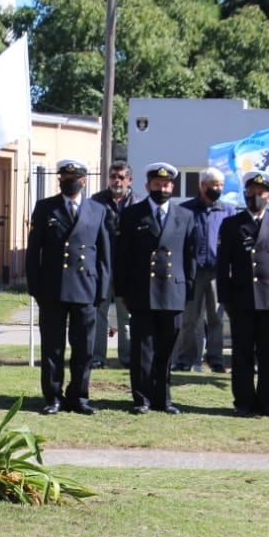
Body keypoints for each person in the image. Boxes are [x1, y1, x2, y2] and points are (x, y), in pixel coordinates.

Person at [27, 160, 110, 416]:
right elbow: (34, 253)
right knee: (52, 347)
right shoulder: (45, 208)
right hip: (53, 288)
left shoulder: (97, 210)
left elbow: (105, 254)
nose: (68, 182)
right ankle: (53, 396)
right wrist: (35, 288)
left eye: (74, 178)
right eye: (64, 178)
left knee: (84, 348)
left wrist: (102, 290)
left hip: (85, 286)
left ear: (84, 181)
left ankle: (79, 396)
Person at [116, 162, 195, 415]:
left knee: (167, 349)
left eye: (166, 184)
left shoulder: (185, 216)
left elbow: (190, 256)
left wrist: (188, 290)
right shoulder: (132, 214)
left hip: (173, 291)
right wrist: (122, 291)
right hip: (142, 291)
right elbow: (122, 257)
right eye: (157, 184)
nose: (162, 188)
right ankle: (141, 399)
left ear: (173, 186)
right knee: (142, 349)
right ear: (147, 185)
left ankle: (164, 398)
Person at [216, 170, 269, 417]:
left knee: (268, 355)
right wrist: (225, 297)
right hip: (242, 298)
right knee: (242, 355)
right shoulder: (232, 224)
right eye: (251, 193)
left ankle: (266, 403)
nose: (255, 197)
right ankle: (243, 401)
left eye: (260, 194)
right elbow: (223, 266)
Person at [171, 167, 231, 374]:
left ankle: (215, 359)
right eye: (214, 185)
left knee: (215, 318)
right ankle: (186, 358)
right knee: (190, 318)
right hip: (193, 272)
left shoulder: (228, 210)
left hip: (217, 272)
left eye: (221, 185)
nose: (218, 189)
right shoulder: (186, 210)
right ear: (203, 186)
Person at [90, 160, 136, 370]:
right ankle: (97, 357)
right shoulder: (96, 202)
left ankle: (127, 357)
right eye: (113, 176)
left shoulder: (137, 203)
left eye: (121, 177)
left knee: (125, 314)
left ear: (130, 180)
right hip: (102, 267)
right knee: (98, 313)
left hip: (127, 269)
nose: (116, 181)